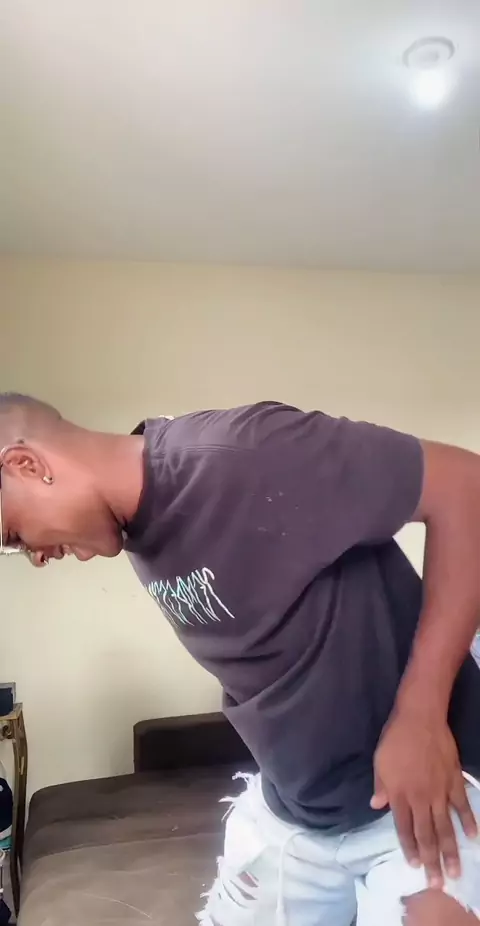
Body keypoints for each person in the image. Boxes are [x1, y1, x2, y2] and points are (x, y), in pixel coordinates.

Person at [1, 393, 480, 925]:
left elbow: (466, 487)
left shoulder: (247, 452)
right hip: (292, 817)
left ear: (27, 465)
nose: (35, 557)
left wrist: (421, 715)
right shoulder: (135, 524)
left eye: (14, 535)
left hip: (421, 798)